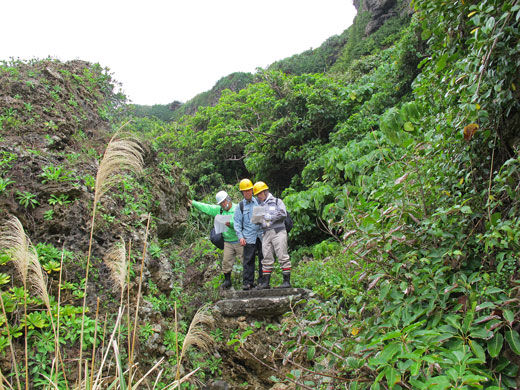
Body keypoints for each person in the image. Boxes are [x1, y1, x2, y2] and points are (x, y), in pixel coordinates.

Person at [188, 190, 243, 289]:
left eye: (224, 202)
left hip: (239, 240)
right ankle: (227, 281)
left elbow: (241, 223)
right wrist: (193, 203)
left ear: (228, 199)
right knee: (226, 262)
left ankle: (248, 281)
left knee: (245, 260)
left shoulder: (237, 209)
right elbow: (207, 208)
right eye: (221, 203)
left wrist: (229, 223)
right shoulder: (220, 210)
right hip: (227, 241)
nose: (223, 204)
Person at [253, 181, 291, 289]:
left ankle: (286, 281)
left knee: (282, 255)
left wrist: (271, 217)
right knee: (266, 256)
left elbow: (283, 213)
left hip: (278, 231)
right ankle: (266, 282)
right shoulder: (259, 206)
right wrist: (259, 219)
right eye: (257, 194)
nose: (259, 196)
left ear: (265, 191)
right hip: (266, 233)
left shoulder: (277, 201)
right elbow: (256, 220)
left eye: (260, 193)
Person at [234, 178, 264, 290]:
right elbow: (237, 223)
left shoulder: (259, 202)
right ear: (242, 193)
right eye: (245, 191)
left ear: (252, 190)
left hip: (261, 235)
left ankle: (263, 281)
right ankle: (248, 283)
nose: (248, 193)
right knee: (248, 260)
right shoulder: (240, 206)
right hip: (249, 237)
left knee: (263, 258)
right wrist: (240, 237)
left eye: (249, 190)